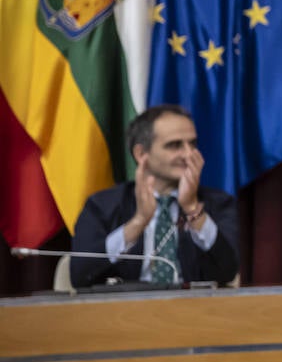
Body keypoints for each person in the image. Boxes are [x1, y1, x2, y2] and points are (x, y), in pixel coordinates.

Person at [70, 104, 239, 288]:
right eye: (175, 145)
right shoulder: (102, 206)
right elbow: (80, 275)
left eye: (192, 144)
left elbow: (228, 272)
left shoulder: (219, 204)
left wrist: (192, 209)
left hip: (195, 311)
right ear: (142, 153)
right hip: (125, 312)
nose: (189, 154)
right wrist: (138, 222)